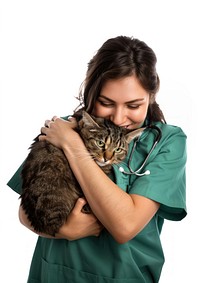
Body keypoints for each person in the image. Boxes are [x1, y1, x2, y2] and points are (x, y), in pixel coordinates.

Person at [7, 35, 187, 283]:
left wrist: (72, 146)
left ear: (151, 96)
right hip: (53, 274)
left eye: (133, 105)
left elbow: (124, 226)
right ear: (91, 92)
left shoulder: (167, 142)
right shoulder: (64, 127)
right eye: (106, 103)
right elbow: (25, 212)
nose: (118, 118)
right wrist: (66, 231)